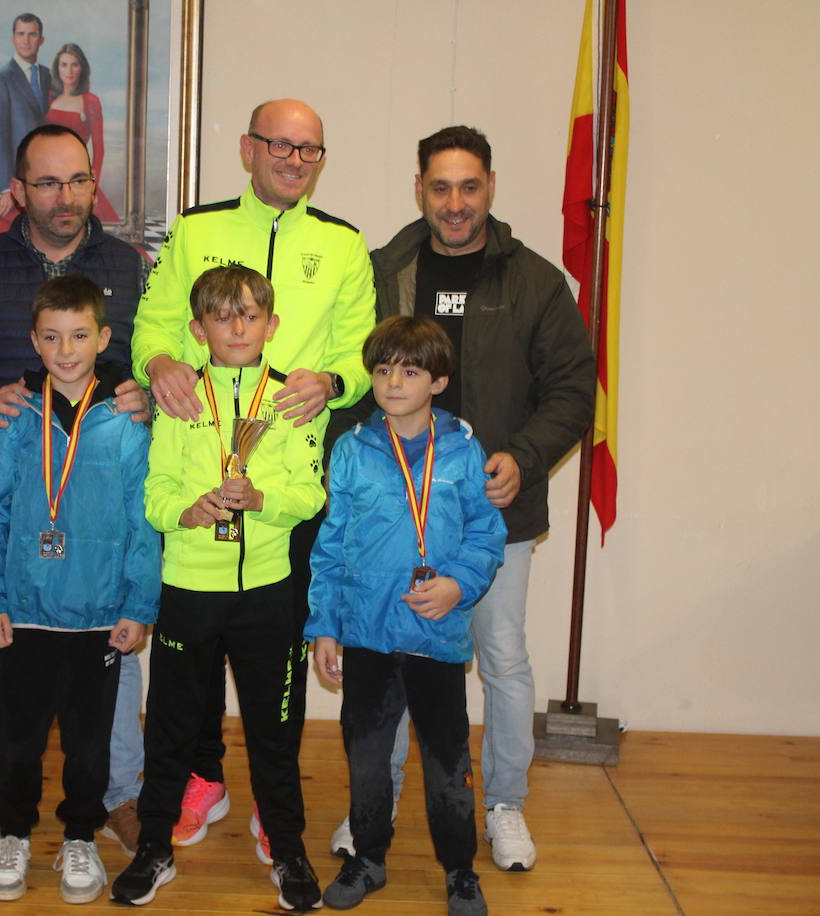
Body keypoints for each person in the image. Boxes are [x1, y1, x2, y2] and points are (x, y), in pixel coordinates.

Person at [333, 125, 595, 872]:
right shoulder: (383, 271)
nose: (455, 203)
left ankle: (505, 803)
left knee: (502, 657)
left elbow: (574, 388)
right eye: (440, 188)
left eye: (469, 187)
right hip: (392, 521)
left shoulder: (537, 282)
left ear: (491, 187)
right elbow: (354, 384)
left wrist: (526, 455)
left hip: (492, 514)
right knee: (386, 659)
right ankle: (369, 809)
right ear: (419, 189)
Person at [130, 97, 375, 859]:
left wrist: (332, 383)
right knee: (194, 643)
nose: (295, 160)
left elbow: (361, 349)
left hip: (282, 479)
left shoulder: (343, 244)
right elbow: (155, 322)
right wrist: (159, 362)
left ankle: (277, 799)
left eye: (311, 150)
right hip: (197, 462)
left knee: (278, 648)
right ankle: (203, 778)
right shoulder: (198, 230)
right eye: (281, 145)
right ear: (248, 148)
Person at [0, 123, 151, 857]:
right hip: (20, 498)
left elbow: (154, 360)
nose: (65, 196)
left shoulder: (129, 265)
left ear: (94, 181)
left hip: (103, 508)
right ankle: (0, 795)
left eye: (78, 179)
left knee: (111, 655)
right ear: (18, 189)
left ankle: (120, 795)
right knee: (10, 658)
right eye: (47, 182)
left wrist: (145, 393)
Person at [112, 265, 325, 910]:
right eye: (222, 317)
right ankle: (154, 847)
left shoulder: (290, 399)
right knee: (172, 728)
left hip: (267, 589)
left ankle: (288, 850)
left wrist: (261, 499)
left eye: (251, 315)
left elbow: (310, 490)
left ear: (273, 324)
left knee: (273, 729)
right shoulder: (180, 401)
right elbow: (155, 495)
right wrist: (189, 511)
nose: (238, 327)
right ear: (198, 329)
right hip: (190, 587)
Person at [0, 275, 159, 904]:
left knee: (89, 741)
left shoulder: (126, 423)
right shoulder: (14, 416)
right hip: (25, 612)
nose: (66, 348)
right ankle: (13, 834)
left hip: (98, 617)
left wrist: (137, 606)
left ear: (103, 338)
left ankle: (81, 836)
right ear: (34, 340)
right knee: (17, 734)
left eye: (80, 335)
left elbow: (142, 523)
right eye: (52, 337)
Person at [306, 316, 506, 916]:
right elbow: (331, 544)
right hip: (367, 633)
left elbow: (486, 534)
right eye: (384, 369)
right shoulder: (351, 450)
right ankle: (368, 859)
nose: (394, 382)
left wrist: (457, 585)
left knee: (448, 760)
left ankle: (461, 872)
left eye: (410, 371)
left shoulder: (464, 450)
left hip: (437, 637)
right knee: (366, 755)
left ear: (438, 381)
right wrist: (324, 625)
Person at [44, 42, 119, 223]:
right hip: (46, 175)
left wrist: (91, 185)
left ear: (82, 69)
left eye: (74, 65)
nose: (69, 71)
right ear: (57, 69)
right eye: (64, 65)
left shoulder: (90, 101)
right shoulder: (49, 97)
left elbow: (99, 149)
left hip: (76, 175)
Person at [0, 13, 52, 194]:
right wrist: (6, 188)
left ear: (41, 40)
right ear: (13, 39)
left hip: (46, 180)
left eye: (32, 34)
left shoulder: (48, 76)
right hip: (15, 184)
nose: (26, 40)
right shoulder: (0, 79)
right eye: (21, 34)